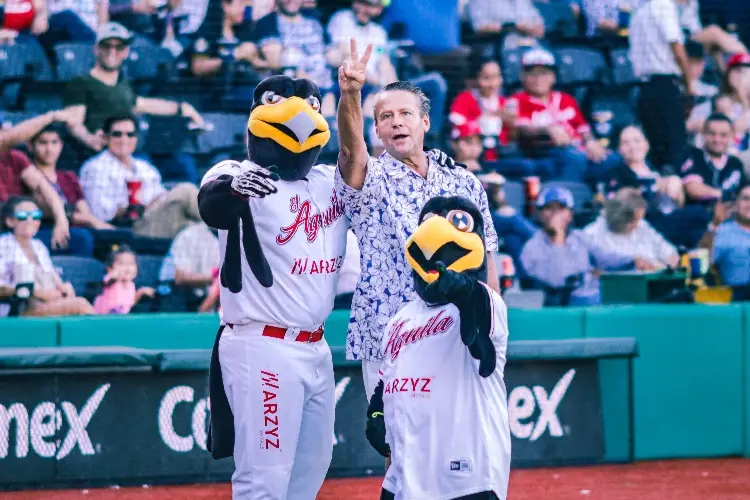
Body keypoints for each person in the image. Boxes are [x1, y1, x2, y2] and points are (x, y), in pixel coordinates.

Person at [198, 75, 345, 500]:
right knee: (263, 478)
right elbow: (213, 202)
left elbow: (369, 174)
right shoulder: (237, 170)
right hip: (263, 342)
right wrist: (236, 190)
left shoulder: (326, 180)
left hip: (317, 346)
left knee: (312, 469)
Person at [335, 39, 500, 401]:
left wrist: (491, 326)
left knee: (453, 442)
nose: (396, 122)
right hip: (389, 332)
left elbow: (487, 259)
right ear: (376, 130)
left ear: (425, 121)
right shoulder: (371, 178)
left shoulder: (464, 181)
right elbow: (350, 151)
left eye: (405, 114)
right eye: (385, 117)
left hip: (455, 332)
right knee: (395, 445)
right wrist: (350, 94)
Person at [365, 195, 511, 500]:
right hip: (405, 476)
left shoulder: (484, 301)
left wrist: (464, 288)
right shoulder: (401, 318)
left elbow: (480, 320)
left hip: (466, 477)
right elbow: (387, 379)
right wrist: (377, 413)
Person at [61, 22, 204, 183]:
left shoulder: (123, 84)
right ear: (96, 49)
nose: (112, 51)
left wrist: (182, 108)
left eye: (119, 47)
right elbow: (73, 122)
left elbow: (141, 104)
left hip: (129, 149)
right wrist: (89, 139)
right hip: (101, 155)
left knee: (182, 168)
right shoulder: (81, 82)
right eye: (106, 46)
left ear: (126, 52)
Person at [79, 113, 202, 239]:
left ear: (136, 138)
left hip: (156, 221)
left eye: (130, 134)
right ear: (105, 138)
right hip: (128, 230)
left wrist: (153, 203)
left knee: (197, 229)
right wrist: (131, 208)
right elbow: (98, 213)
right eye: (117, 134)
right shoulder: (95, 168)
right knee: (185, 191)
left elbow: (161, 198)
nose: (124, 140)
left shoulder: (145, 167)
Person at [511, 48, 620, 182]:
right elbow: (520, 130)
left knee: (613, 159)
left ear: (553, 77)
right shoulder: (517, 100)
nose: (538, 79)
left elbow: (582, 128)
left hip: (578, 147)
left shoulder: (566, 99)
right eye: (533, 74)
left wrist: (591, 142)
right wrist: (547, 130)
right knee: (575, 159)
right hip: (546, 150)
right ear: (523, 76)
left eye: (544, 73)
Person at [521, 187, 634, 306]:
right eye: (549, 208)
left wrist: (633, 260)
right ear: (540, 215)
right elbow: (556, 283)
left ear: (570, 215)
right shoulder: (531, 247)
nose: (555, 214)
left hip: (593, 300)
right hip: (560, 306)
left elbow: (606, 258)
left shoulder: (580, 237)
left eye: (561, 208)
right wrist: (557, 237)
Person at [610, 125, 711, 248]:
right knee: (700, 212)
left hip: (670, 220)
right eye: (626, 143)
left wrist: (678, 190)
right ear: (619, 149)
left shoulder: (659, 170)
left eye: (637, 141)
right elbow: (620, 203)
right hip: (645, 224)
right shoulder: (617, 174)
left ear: (646, 144)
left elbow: (678, 205)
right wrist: (654, 187)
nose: (632, 147)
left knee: (698, 232)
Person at [0, 196, 94, 317]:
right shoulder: (3, 245)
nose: (30, 220)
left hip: (46, 305)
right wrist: (35, 293)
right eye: (23, 215)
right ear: (10, 221)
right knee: (81, 306)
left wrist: (63, 288)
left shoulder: (38, 246)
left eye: (36, 215)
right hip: (17, 310)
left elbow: (52, 276)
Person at [629, 0, 692, 171]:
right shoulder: (663, 5)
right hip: (664, 86)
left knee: (656, 152)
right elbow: (677, 48)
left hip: (644, 88)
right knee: (675, 150)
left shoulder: (639, 10)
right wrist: (690, 84)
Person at [29, 124, 114, 231]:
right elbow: (44, 209)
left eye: (54, 143)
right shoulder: (28, 175)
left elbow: (84, 211)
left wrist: (89, 220)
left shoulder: (69, 177)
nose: (49, 149)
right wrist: (89, 220)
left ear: (61, 145)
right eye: (43, 143)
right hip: (48, 229)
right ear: (30, 146)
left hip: (79, 230)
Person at [584, 188, 680, 269]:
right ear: (620, 218)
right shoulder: (592, 235)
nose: (638, 224)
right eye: (635, 221)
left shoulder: (642, 225)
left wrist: (668, 266)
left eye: (640, 219)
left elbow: (670, 253)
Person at [681, 113, 748, 206]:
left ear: (731, 136)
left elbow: (744, 192)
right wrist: (725, 196)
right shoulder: (694, 155)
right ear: (703, 133)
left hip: (731, 216)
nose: (717, 140)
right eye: (712, 134)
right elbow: (693, 189)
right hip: (699, 216)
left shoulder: (735, 163)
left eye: (723, 135)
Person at [93, 245, 155, 314]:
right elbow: (107, 281)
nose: (127, 268)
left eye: (131, 264)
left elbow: (129, 304)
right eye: (121, 264)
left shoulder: (131, 285)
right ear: (109, 269)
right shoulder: (111, 280)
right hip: (103, 317)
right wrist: (114, 275)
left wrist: (141, 292)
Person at [712, 183, 750, 286]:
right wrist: (714, 226)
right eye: (746, 199)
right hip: (736, 296)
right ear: (736, 204)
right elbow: (705, 262)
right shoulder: (722, 232)